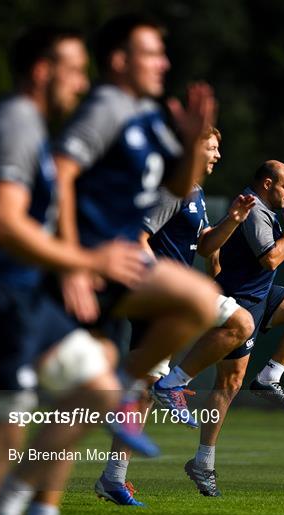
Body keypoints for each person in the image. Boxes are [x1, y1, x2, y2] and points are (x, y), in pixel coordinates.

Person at [0, 26, 149, 515]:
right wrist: (82, 257)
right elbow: (1, 221)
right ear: (43, 71)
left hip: (24, 299)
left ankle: (8, 509)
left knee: (98, 383)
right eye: (73, 69)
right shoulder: (16, 123)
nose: (82, 81)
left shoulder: (33, 127)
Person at [54, 14, 220, 406]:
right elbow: (60, 174)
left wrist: (192, 145)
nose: (163, 63)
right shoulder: (105, 108)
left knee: (196, 304)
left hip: (115, 267)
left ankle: (124, 389)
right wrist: (72, 262)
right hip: (89, 262)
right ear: (118, 61)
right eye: (151, 54)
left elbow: (177, 188)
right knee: (198, 302)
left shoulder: (145, 115)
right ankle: (130, 387)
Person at [95, 126, 256, 505]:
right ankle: (173, 385)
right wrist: (160, 283)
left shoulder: (195, 191)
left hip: (173, 297)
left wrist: (231, 220)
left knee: (142, 392)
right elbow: (138, 238)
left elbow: (202, 246)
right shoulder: (174, 187)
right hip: (162, 297)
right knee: (240, 323)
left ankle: (112, 478)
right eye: (212, 147)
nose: (217, 155)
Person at [180, 160, 284, 497]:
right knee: (228, 384)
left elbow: (217, 247)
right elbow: (271, 259)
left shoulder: (257, 206)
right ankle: (203, 462)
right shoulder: (255, 208)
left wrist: (216, 265)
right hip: (242, 303)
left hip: (261, 296)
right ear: (266, 183)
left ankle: (268, 377)